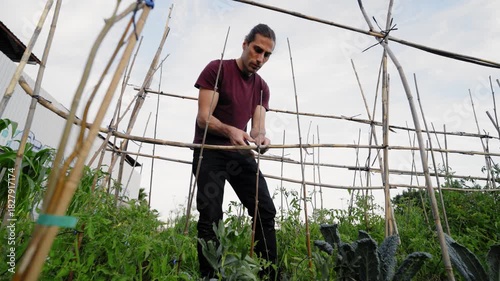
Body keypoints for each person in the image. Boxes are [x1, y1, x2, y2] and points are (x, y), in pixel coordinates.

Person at [192, 24, 278, 280]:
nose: (260, 59)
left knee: (265, 210)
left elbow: (257, 129)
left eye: (266, 55)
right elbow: (203, 118)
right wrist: (230, 130)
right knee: (211, 216)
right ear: (245, 44)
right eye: (257, 50)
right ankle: (211, 275)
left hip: (239, 153)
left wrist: (262, 139)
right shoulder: (217, 70)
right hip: (210, 150)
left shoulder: (262, 87)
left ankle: (269, 274)